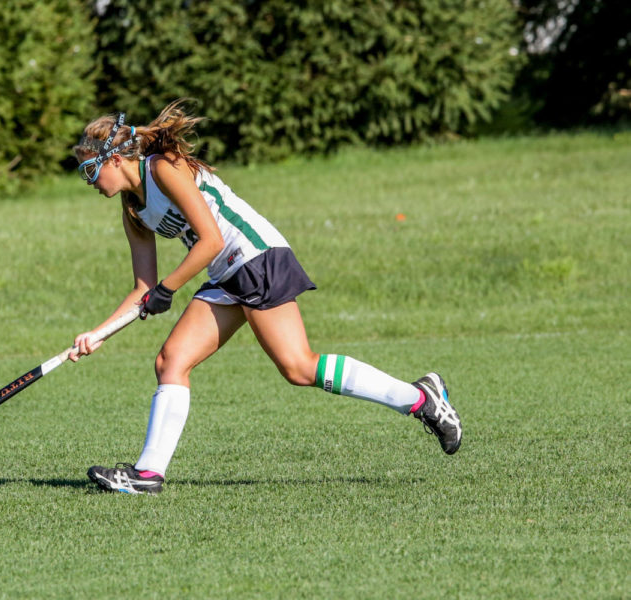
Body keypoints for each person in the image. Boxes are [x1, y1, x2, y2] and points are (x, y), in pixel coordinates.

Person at [69, 101, 462, 495]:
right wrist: (98, 334)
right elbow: (143, 287)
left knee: (298, 367)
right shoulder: (133, 209)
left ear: (116, 159)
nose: (89, 182)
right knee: (171, 361)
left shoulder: (162, 168)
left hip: (255, 257)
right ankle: (147, 475)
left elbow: (211, 240)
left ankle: (419, 398)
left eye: (91, 170)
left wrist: (168, 289)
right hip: (225, 272)